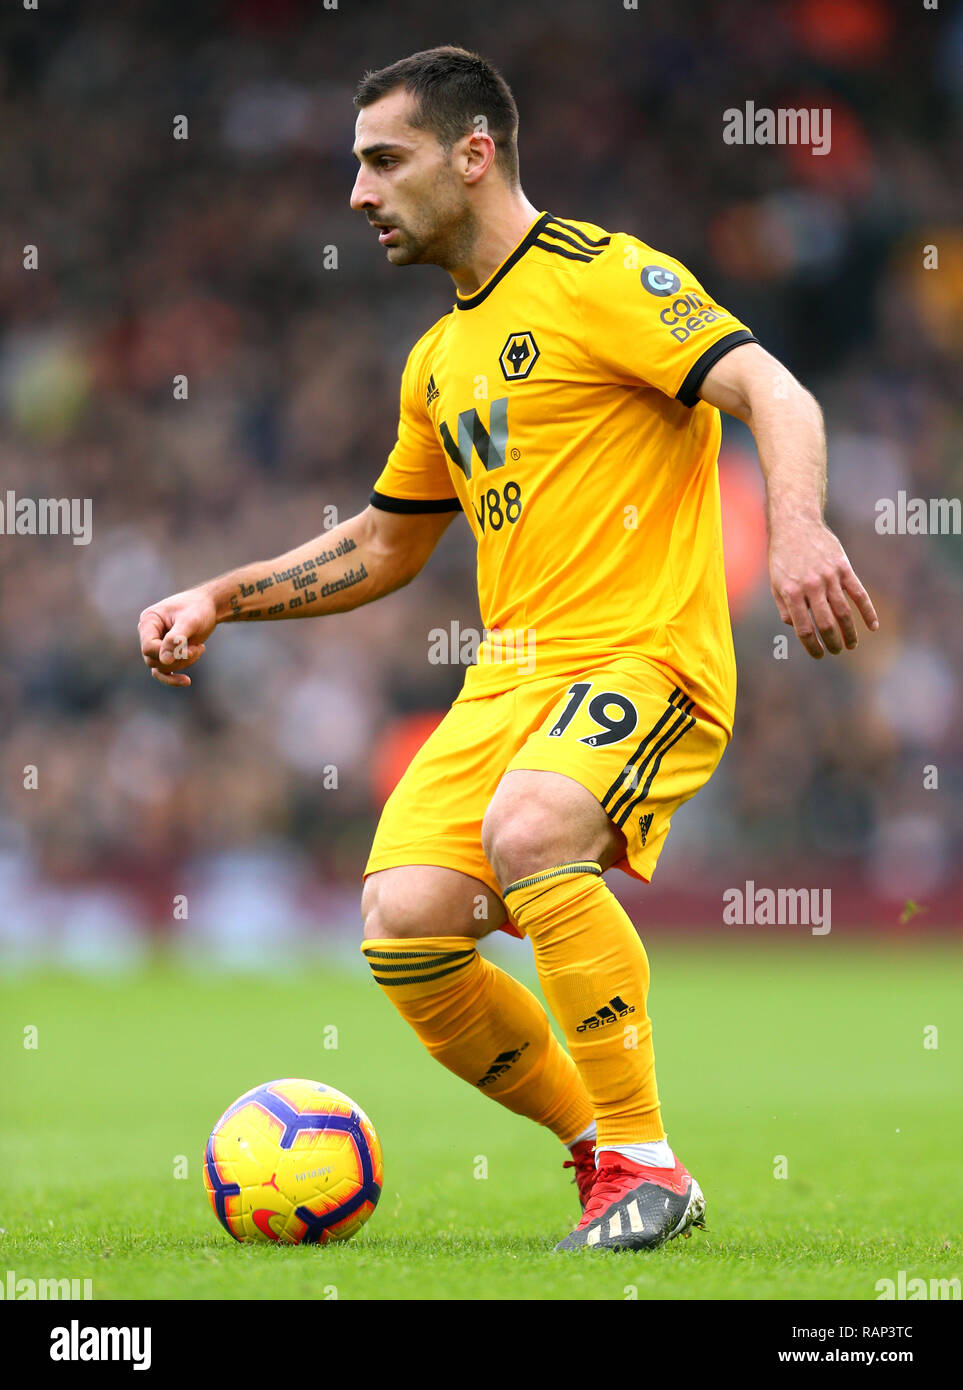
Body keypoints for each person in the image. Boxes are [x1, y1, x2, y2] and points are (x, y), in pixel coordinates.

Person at [138, 46, 878, 1252]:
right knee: (407, 921)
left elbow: (775, 390)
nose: (358, 194)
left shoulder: (604, 276)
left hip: (643, 655)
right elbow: (387, 544)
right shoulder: (437, 359)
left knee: (533, 830)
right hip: (510, 679)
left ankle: (649, 1164)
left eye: (384, 160)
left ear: (473, 154)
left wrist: (796, 530)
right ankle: (604, 1156)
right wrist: (221, 596)